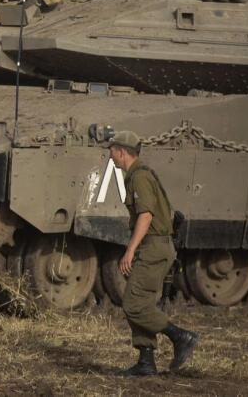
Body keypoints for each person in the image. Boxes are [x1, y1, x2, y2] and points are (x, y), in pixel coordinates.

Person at [107, 130, 198, 376]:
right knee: (142, 302)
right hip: (155, 246)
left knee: (132, 304)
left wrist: (130, 250)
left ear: (123, 152)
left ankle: (180, 337)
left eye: (112, 150)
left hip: (153, 246)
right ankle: (146, 361)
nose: (111, 155)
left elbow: (146, 216)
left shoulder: (139, 177)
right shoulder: (137, 175)